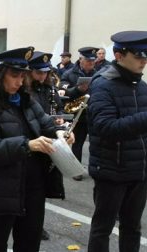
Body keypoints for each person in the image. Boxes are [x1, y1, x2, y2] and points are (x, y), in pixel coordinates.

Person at [0, 46, 74, 252]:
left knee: (29, 242)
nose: (19, 82)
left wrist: (62, 133)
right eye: (14, 76)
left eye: (22, 76)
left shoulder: (27, 101)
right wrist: (27, 144)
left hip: (32, 187)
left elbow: (47, 125)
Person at [86, 30, 147, 251]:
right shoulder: (102, 84)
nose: (144, 61)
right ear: (118, 56)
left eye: (146, 57)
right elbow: (104, 127)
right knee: (103, 228)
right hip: (111, 168)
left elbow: (143, 125)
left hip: (139, 168)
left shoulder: (141, 85)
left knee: (132, 227)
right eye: (138, 56)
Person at [28, 51, 67, 241]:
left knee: (42, 188)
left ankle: (37, 225)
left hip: (49, 139)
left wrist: (59, 116)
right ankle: (26, 223)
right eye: (38, 72)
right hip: (32, 142)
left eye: (45, 72)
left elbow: (59, 107)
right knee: (30, 187)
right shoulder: (25, 90)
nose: (42, 76)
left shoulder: (50, 88)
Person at [61, 47, 98, 181]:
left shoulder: (98, 73)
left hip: (94, 112)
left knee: (96, 143)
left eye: (93, 61)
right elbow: (63, 93)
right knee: (78, 143)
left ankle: (95, 168)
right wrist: (77, 89)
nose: (91, 63)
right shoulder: (69, 73)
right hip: (78, 114)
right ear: (81, 59)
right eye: (88, 60)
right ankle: (76, 170)